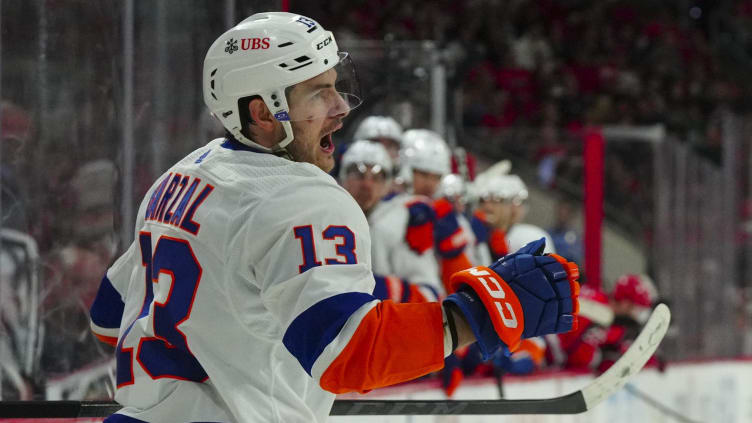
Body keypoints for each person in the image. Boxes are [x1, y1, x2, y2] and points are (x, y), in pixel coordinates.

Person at [88, 12, 580, 423]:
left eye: (335, 86)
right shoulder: (303, 196)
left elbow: (109, 319)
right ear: (263, 113)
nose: (341, 107)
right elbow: (349, 354)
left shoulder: (179, 179)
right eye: (317, 93)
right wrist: (475, 314)